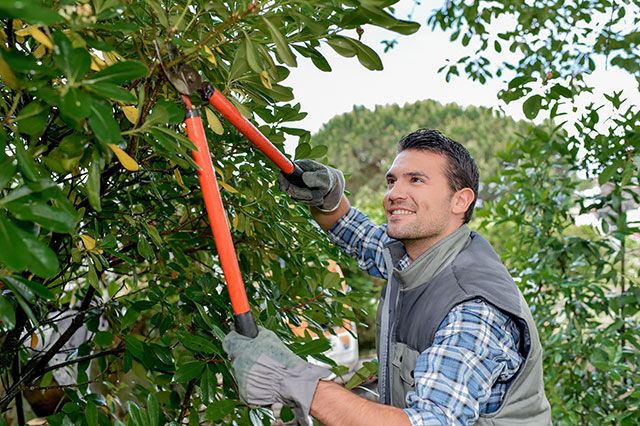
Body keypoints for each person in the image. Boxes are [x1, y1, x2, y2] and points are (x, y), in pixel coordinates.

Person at [223, 129, 551, 425]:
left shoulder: (473, 307)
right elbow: (361, 237)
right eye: (392, 181)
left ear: (460, 200)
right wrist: (328, 200)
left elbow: (429, 422)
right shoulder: (413, 257)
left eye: (416, 180)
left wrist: (290, 378)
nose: (394, 194)